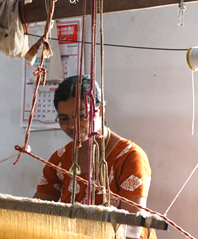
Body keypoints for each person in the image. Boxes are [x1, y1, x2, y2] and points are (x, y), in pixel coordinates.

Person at [34, 75, 151, 218]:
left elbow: (133, 227)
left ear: (100, 110)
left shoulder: (129, 157)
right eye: (64, 118)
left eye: (81, 115)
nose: (72, 125)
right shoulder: (60, 159)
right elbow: (35, 212)